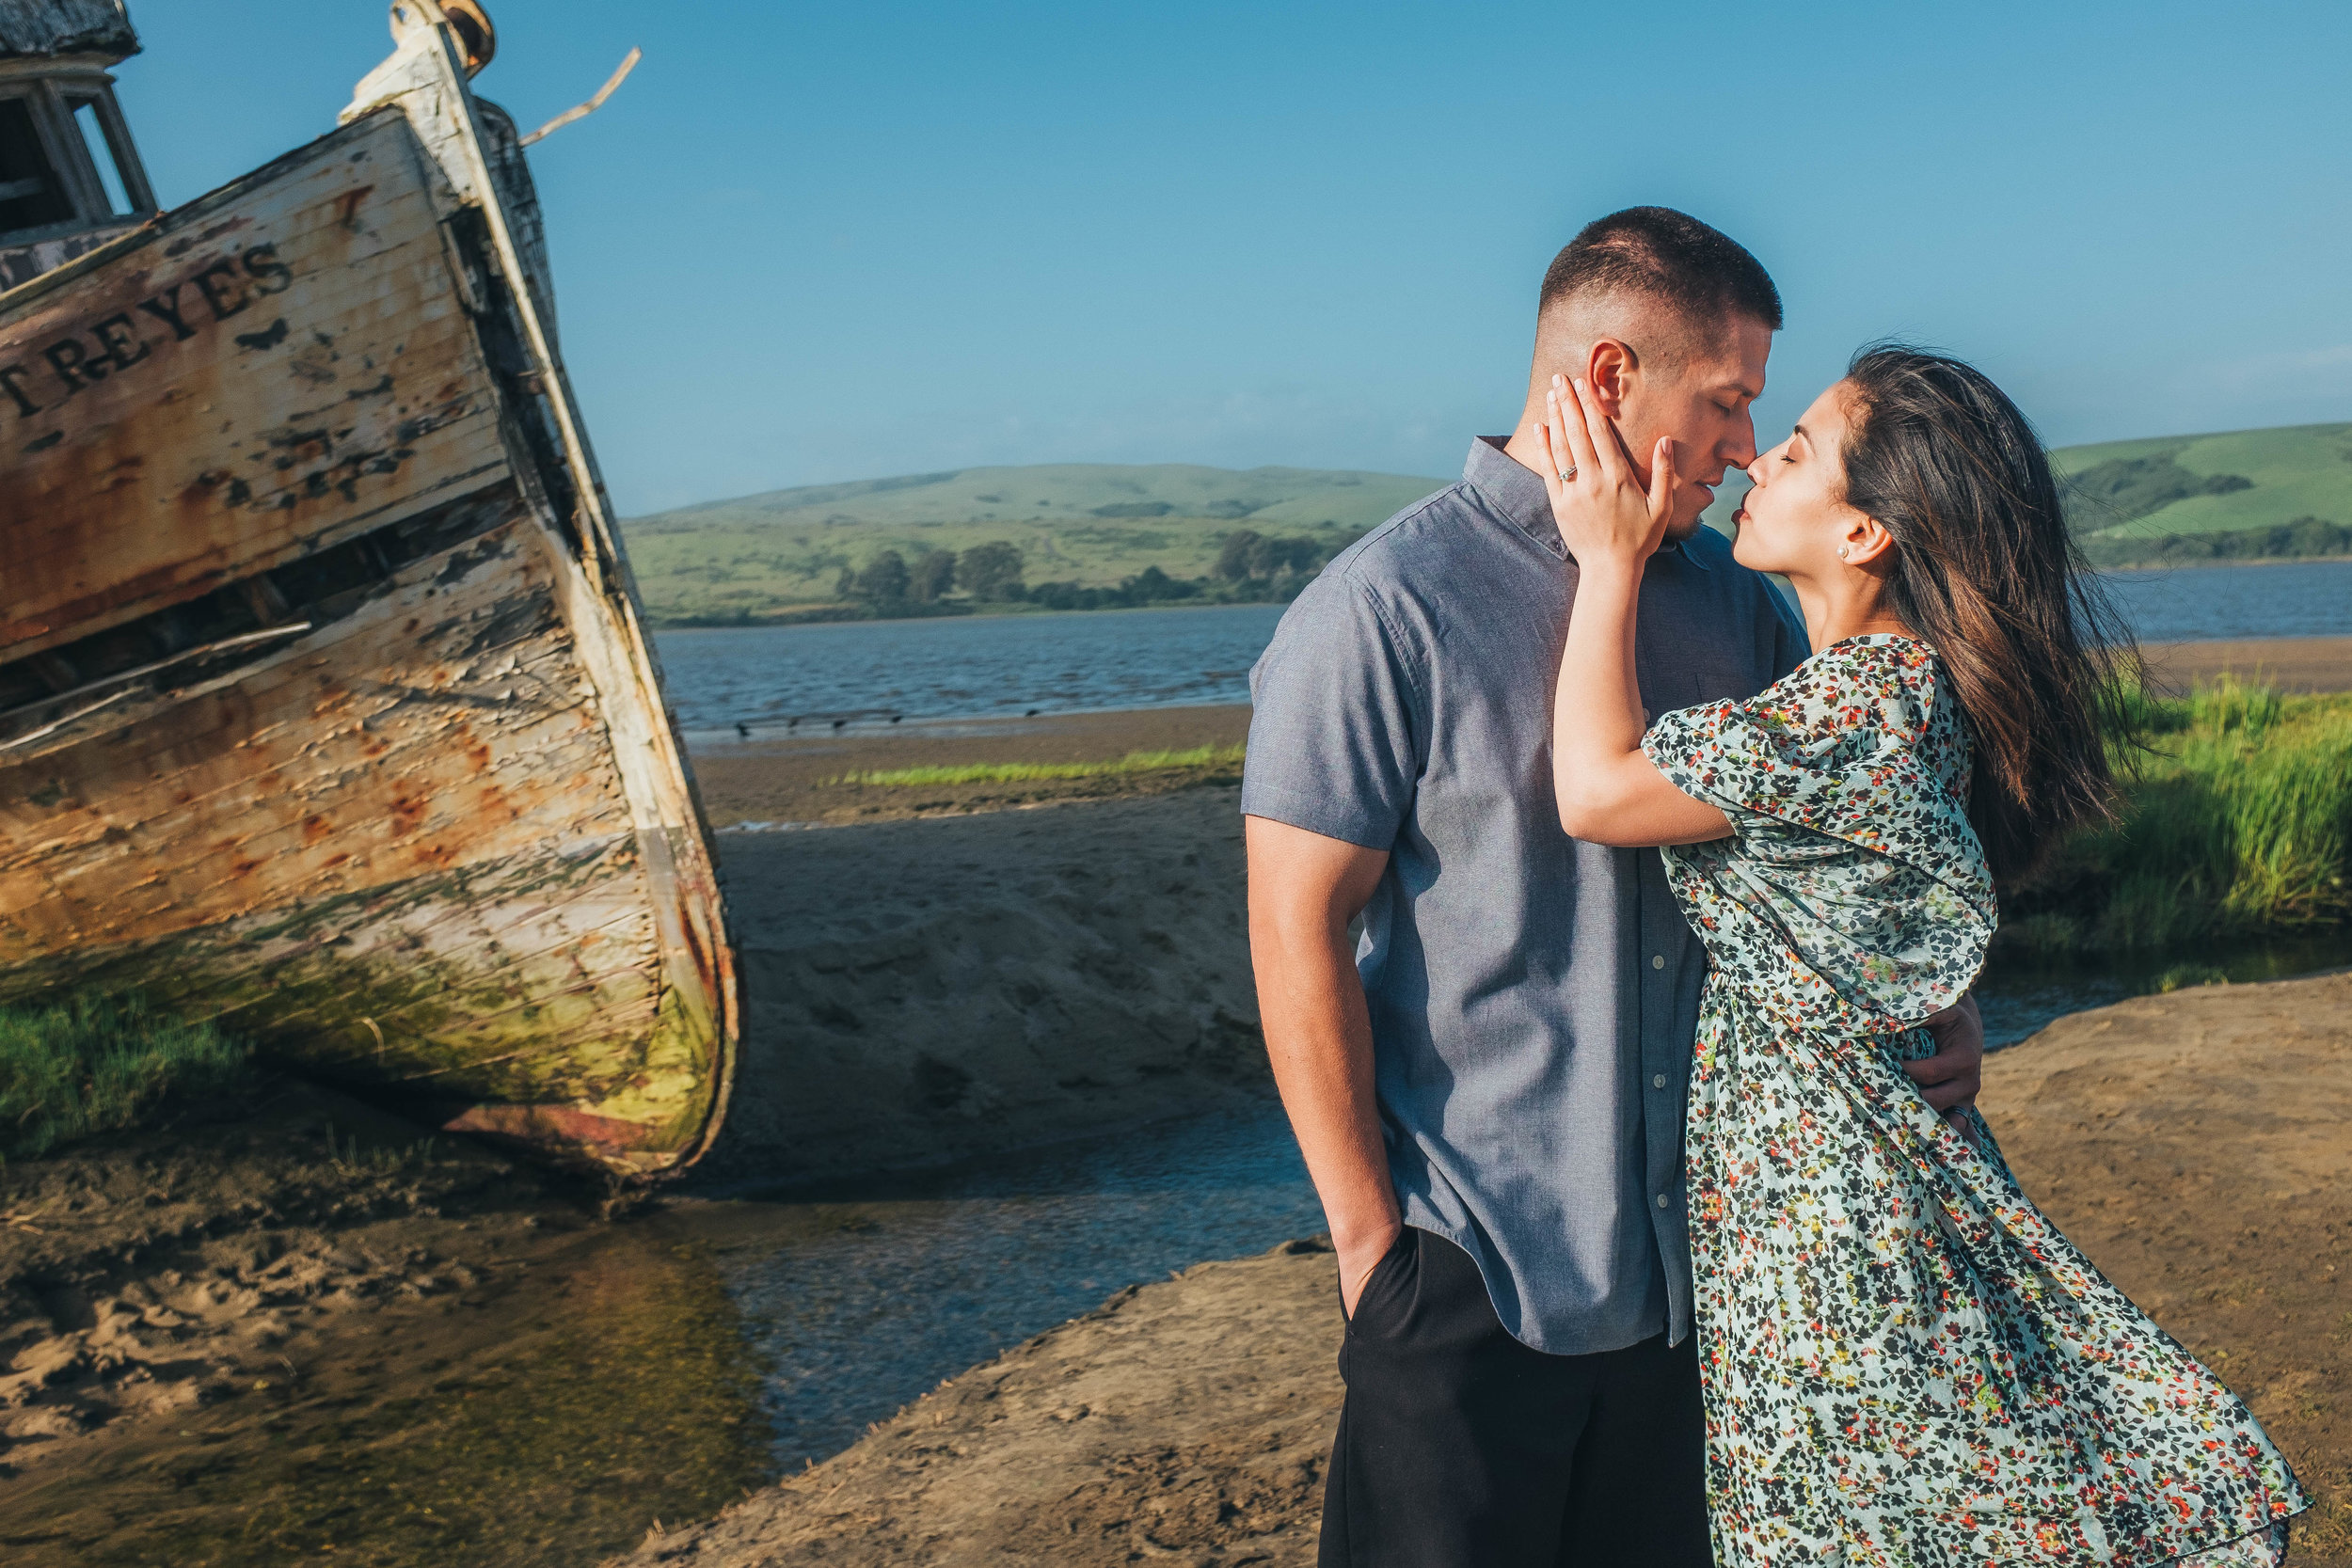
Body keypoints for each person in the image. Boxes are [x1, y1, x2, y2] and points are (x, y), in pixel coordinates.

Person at [1241, 207, 1989, 1565]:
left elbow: (1824, 843)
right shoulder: (1378, 611)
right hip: (1471, 1274)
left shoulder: (1736, 602)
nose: (1745, 450)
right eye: (1724, 403)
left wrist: (1933, 999)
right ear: (1605, 379)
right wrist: (1369, 1251)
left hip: (1702, 1289)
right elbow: (1296, 927)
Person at [1537, 345, 2309, 1565]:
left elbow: (1593, 788)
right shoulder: (1903, 690)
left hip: (1827, 1209)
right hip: (1836, 1178)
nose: (1754, 457)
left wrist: (1604, 560)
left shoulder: (1856, 701)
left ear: (1863, 537)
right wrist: (1933, 1008)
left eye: (1793, 450)